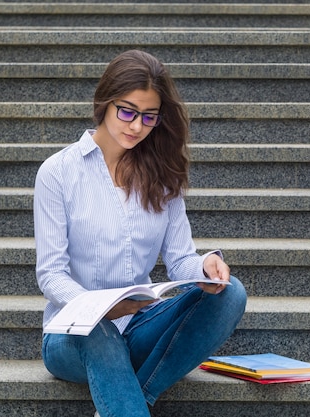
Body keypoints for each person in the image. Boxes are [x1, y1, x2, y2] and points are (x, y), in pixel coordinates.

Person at [33, 49, 247, 417]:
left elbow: (180, 260)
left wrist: (206, 266)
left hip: (139, 325)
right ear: (105, 102)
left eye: (149, 117)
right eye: (127, 111)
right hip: (72, 336)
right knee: (98, 330)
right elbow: (50, 273)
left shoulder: (162, 176)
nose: (136, 126)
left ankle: (131, 399)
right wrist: (99, 307)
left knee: (230, 295)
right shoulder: (58, 172)